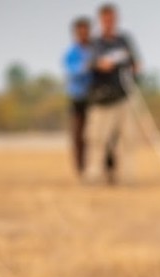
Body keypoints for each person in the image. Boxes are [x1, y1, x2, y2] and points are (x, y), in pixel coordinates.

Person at [84, 4, 140, 185]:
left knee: (128, 139)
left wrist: (133, 68)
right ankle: (94, 176)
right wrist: (101, 65)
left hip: (124, 97)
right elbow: (90, 64)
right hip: (102, 100)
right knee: (97, 140)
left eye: (112, 18)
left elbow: (135, 63)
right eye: (106, 19)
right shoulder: (95, 44)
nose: (109, 22)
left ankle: (127, 177)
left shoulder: (124, 40)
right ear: (101, 20)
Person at [63, 17, 93, 175]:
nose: (83, 35)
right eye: (80, 32)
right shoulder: (71, 53)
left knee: (95, 135)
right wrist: (88, 66)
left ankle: (96, 166)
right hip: (78, 98)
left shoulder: (95, 49)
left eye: (86, 31)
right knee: (78, 135)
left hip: (94, 99)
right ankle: (80, 168)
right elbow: (72, 71)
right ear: (75, 33)